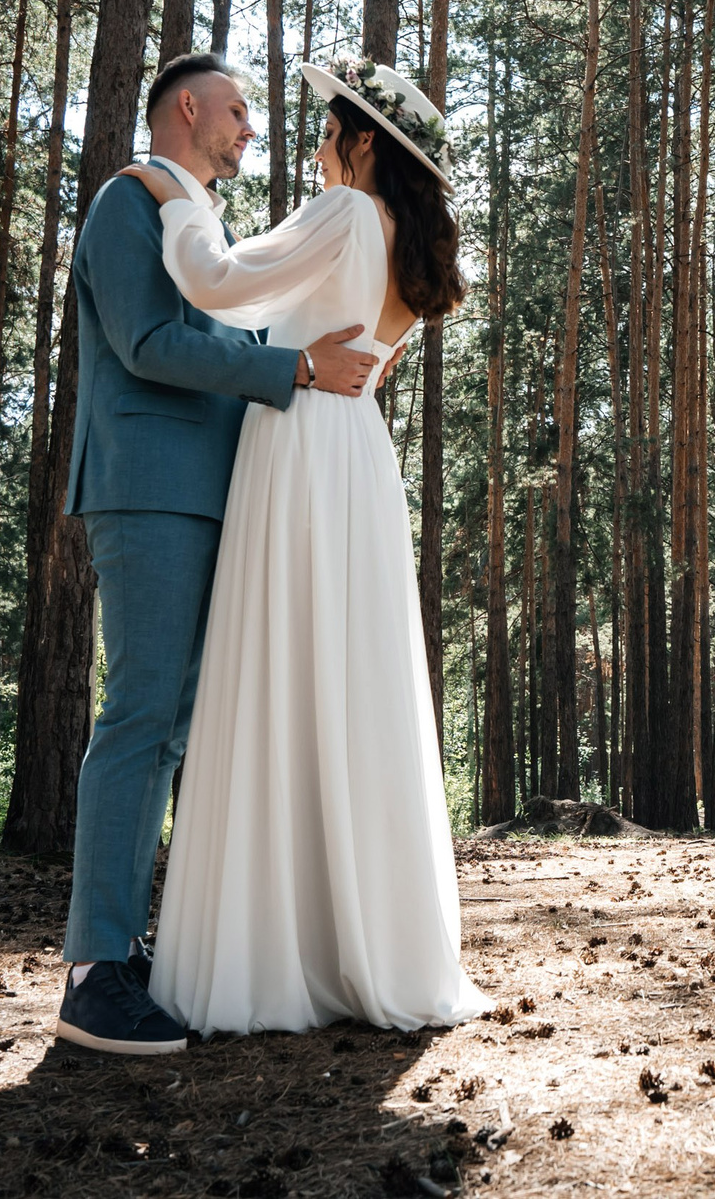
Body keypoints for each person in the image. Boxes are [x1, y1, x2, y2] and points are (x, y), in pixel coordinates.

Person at [113, 57, 490, 1037]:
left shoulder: (350, 212)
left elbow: (216, 283)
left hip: (300, 449)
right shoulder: (405, 244)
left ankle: (273, 947)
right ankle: (358, 937)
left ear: (363, 143)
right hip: (358, 459)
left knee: (280, 671)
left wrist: (174, 195)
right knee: (347, 684)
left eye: (328, 135)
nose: (318, 152)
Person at [53, 52, 379, 1057]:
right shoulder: (127, 202)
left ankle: (127, 944)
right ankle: (94, 971)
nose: (250, 128)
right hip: (148, 486)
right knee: (140, 714)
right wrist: (295, 369)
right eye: (237, 110)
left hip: (209, 492)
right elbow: (149, 343)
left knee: (175, 726)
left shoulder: (204, 225)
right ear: (186, 108)